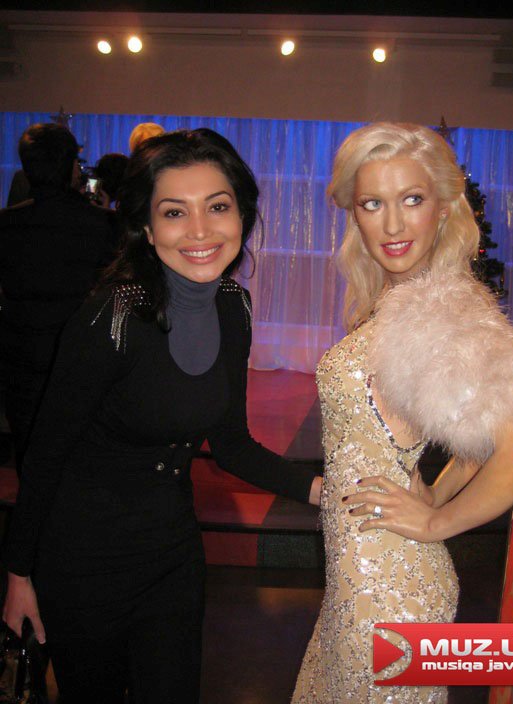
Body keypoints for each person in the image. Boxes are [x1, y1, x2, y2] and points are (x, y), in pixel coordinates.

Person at [2, 128, 322, 704]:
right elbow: (46, 453)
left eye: (217, 207)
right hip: (83, 559)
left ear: (242, 216)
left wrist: (323, 490)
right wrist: (18, 576)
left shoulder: (234, 308)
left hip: (172, 554)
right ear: (147, 229)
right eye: (175, 212)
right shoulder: (113, 317)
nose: (200, 230)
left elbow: (231, 444)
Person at [292, 123, 513, 703]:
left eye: (411, 199)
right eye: (373, 203)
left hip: (388, 592)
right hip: (363, 574)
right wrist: (436, 492)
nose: (392, 224)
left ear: (442, 209)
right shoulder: (407, 298)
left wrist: (437, 521)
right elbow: (474, 437)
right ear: (355, 215)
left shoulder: (445, 307)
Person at [0, 123, 118, 473]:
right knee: (78, 458)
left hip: (20, 354)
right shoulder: (102, 224)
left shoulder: (7, 224)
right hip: (80, 357)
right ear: (71, 168)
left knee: (29, 454)